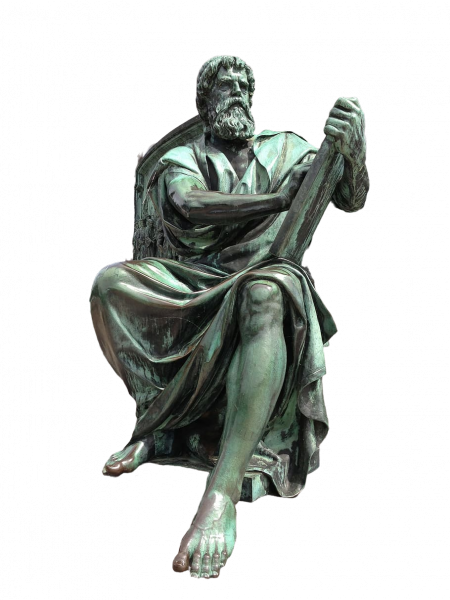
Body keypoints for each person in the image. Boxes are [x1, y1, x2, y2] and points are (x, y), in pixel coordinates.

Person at [89, 54, 369, 579]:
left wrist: (355, 152)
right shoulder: (183, 156)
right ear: (205, 102)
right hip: (196, 283)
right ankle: (162, 425)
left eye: (244, 85)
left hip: (265, 280)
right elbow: (187, 204)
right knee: (109, 284)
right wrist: (275, 200)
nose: (236, 92)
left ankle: (220, 492)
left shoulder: (286, 148)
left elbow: (349, 197)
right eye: (224, 86)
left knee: (266, 292)